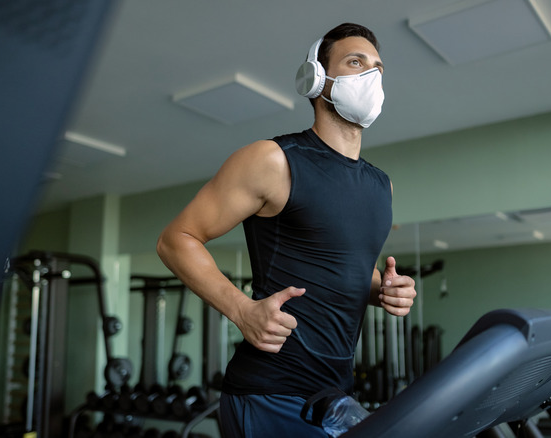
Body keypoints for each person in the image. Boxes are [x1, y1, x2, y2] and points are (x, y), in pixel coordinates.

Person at [157, 23, 417, 437]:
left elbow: (341, 268)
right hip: (269, 392)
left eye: (378, 69)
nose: (371, 77)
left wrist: (382, 289)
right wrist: (241, 310)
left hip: (334, 394)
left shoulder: (379, 185)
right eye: (356, 63)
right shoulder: (274, 160)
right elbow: (176, 240)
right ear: (317, 79)